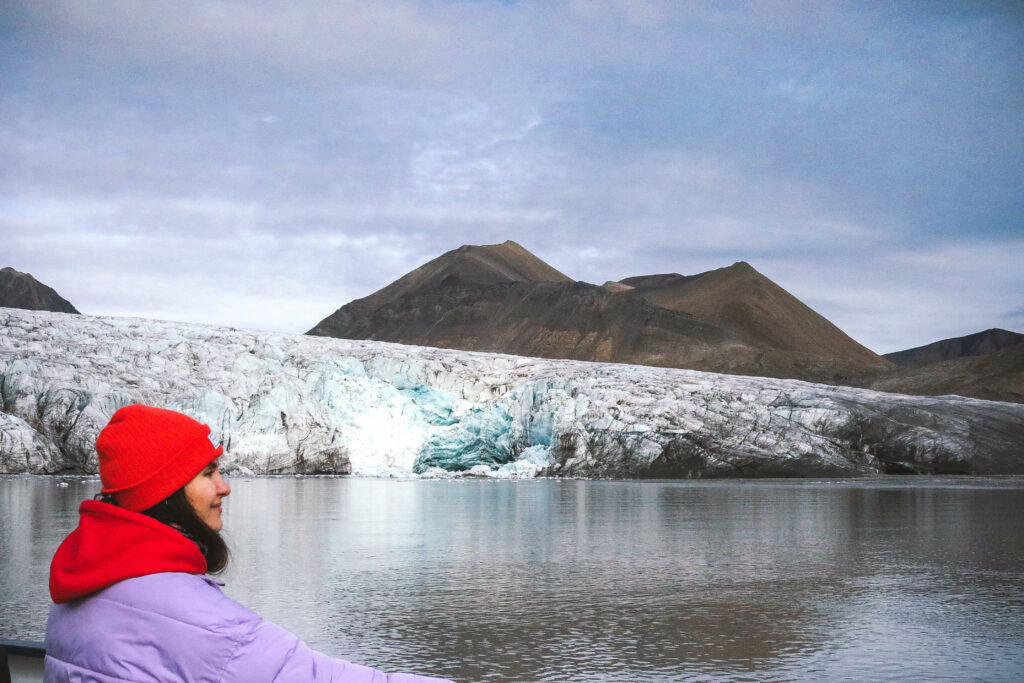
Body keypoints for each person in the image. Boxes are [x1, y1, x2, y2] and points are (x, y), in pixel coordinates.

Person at [44, 404, 455, 682]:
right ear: (163, 491)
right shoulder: (199, 619)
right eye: (207, 473)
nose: (224, 488)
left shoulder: (79, 587)